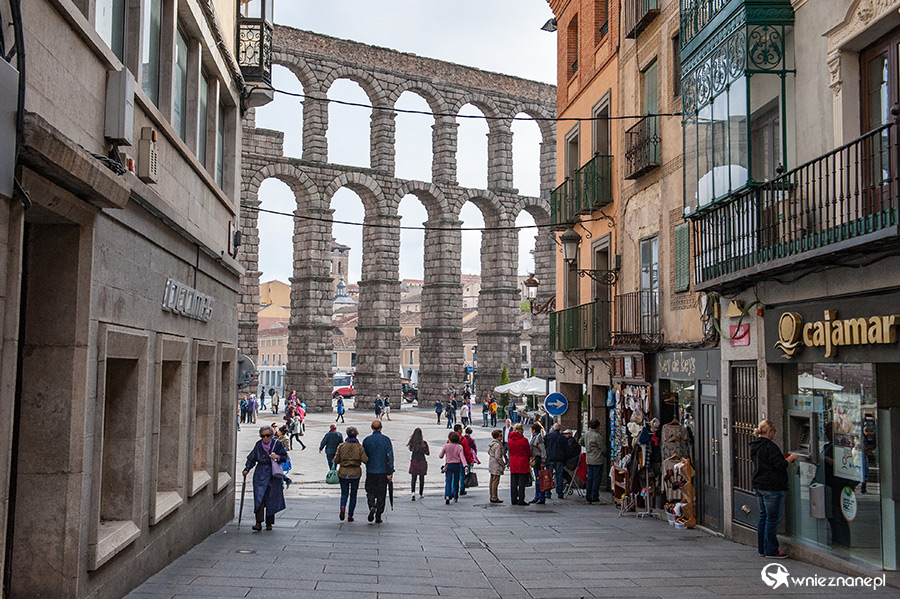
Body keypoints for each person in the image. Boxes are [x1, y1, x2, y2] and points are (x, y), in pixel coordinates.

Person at [750, 419, 798, 559]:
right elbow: (780, 465)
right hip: (772, 486)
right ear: (770, 432)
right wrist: (791, 458)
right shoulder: (770, 446)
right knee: (772, 519)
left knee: (763, 517)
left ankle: (762, 548)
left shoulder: (755, 445)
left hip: (759, 485)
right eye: (774, 431)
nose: (774, 434)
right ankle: (771, 550)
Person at [242, 425, 288, 531]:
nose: (265, 438)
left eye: (267, 435)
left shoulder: (277, 444)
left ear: (271, 435)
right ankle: (258, 522)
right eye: (263, 436)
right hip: (260, 473)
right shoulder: (258, 445)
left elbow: (284, 457)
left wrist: (277, 457)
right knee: (259, 497)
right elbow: (251, 458)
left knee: (272, 498)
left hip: (273, 474)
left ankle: (269, 523)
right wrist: (246, 469)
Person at [362, 419, 394, 523]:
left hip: (371, 471)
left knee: (370, 491)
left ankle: (372, 506)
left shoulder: (366, 440)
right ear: (381, 427)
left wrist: (368, 463)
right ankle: (379, 515)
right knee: (381, 494)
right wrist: (390, 472)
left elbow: (364, 456)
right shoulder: (386, 440)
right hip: (382, 471)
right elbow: (390, 456)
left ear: (372, 427)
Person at [334, 426, 368, 522]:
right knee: (353, 494)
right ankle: (350, 515)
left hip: (343, 472)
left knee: (344, 493)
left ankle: (342, 506)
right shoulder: (359, 447)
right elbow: (365, 459)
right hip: (355, 472)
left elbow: (336, 460)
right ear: (356, 435)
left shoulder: (342, 446)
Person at [581, 419, 605, 504]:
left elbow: (580, 441)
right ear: (597, 426)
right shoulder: (597, 436)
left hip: (589, 459)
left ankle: (588, 497)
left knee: (590, 478)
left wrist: (587, 446)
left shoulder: (586, 434)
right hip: (597, 459)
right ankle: (594, 497)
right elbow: (603, 448)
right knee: (596, 479)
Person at [507, 423, 531, 506]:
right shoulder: (524, 440)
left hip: (513, 462)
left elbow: (510, 451)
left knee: (513, 482)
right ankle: (521, 499)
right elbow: (528, 452)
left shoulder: (510, 440)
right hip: (522, 462)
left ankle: (513, 499)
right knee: (521, 483)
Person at [439, 431, 466, 504]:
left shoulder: (446, 446)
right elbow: (462, 457)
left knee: (448, 481)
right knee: (456, 481)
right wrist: (465, 465)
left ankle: (447, 496)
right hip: (456, 465)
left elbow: (440, 456)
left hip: (448, 465)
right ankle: (455, 497)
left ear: (449, 439)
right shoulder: (459, 447)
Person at [407, 427, 429, 500]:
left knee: (413, 478)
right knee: (421, 478)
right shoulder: (424, 443)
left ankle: (413, 493)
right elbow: (428, 453)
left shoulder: (412, 443)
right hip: (422, 461)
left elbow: (410, 449)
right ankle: (420, 493)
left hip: (414, 461)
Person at [544, 423, 565, 499]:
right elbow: (565, 448)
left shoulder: (548, 436)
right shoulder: (562, 437)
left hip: (550, 458)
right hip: (559, 459)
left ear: (553, 428)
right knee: (559, 476)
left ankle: (548, 492)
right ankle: (559, 492)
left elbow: (544, 446)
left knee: (548, 476)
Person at [529, 422, 547, 504]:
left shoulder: (538, 438)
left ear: (534, 430)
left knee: (540, 479)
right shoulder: (534, 437)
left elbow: (543, 450)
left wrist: (543, 460)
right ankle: (537, 496)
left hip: (538, 459)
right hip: (535, 459)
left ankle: (541, 497)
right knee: (537, 478)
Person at [487, 429, 505, 503]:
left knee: (492, 480)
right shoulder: (498, 445)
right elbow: (498, 457)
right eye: (500, 435)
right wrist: (502, 464)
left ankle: (491, 495)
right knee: (495, 481)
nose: (502, 437)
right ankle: (494, 497)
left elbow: (489, 452)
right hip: (496, 465)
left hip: (492, 463)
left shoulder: (493, 443)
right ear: (497, 436)